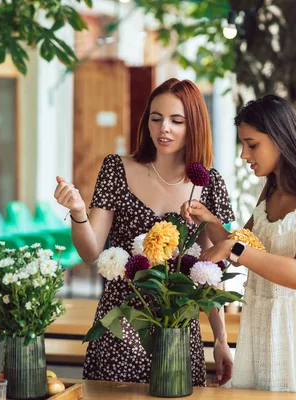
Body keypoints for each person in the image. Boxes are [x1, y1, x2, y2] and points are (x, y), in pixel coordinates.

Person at [54, 78, 235, 385]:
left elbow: (210, 268)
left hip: (178, 328)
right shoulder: (116, 168)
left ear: (194, 126)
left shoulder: (209, 183)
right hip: (121, 320)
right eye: (156, 118)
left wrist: (220, 339)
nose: (164, 128)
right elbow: (89, 252)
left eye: (176, 121)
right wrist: (78, 213)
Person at [181, 95, 296, 393]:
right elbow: (243, 245)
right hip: (266, 333)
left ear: (281, 139)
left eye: (252, 144)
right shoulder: (271, 194)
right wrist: (208, 220)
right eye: (242, 144)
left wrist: (233, 249)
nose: (244, 154)